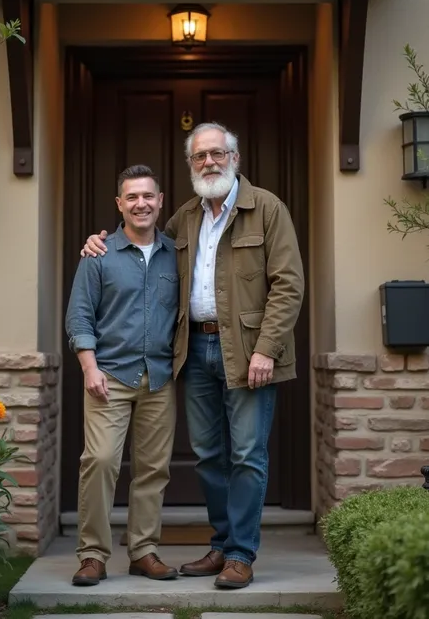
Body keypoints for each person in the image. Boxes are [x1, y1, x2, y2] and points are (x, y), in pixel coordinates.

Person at [81, 122, 305, 589]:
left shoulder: (267, 209)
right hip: (194, 351)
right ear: (190, 165)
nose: (209, 162)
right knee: (207, 453)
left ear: (235, 158)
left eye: (217, 154)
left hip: (248, 352)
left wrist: (267, 349)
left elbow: (289, 285)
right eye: (200, 156)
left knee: (246, 453)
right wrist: (96, 243)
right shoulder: (182, 218)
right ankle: (222, 545)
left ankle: (242, 554)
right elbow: (137, 254)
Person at [66, 164, 179, 587]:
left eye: (148, 196)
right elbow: (79, 316)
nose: (141, 204)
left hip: (160, 377)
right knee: (99, 461)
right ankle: (93, 555)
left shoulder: (176, 254)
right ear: (119, 204)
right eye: (131, 197)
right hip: (109, 376)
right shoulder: (99, 255)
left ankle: (144, 551)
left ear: (160, 200)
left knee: (153, 468)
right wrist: (89, 367)